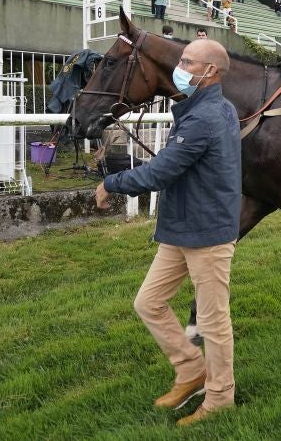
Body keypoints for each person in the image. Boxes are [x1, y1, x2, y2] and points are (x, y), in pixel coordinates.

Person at [95, 39, 240, 427]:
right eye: (182, 59)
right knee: (148, 303)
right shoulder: (204, 109)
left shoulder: (205, 117)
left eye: (188, 61)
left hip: (207, 234)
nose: (180, 66)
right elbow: (174, 164)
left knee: (212, 322)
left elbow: (160, 173)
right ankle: (191, 368)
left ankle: (220, 397)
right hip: (181, 228)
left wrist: (112, 183)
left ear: (210, 72)